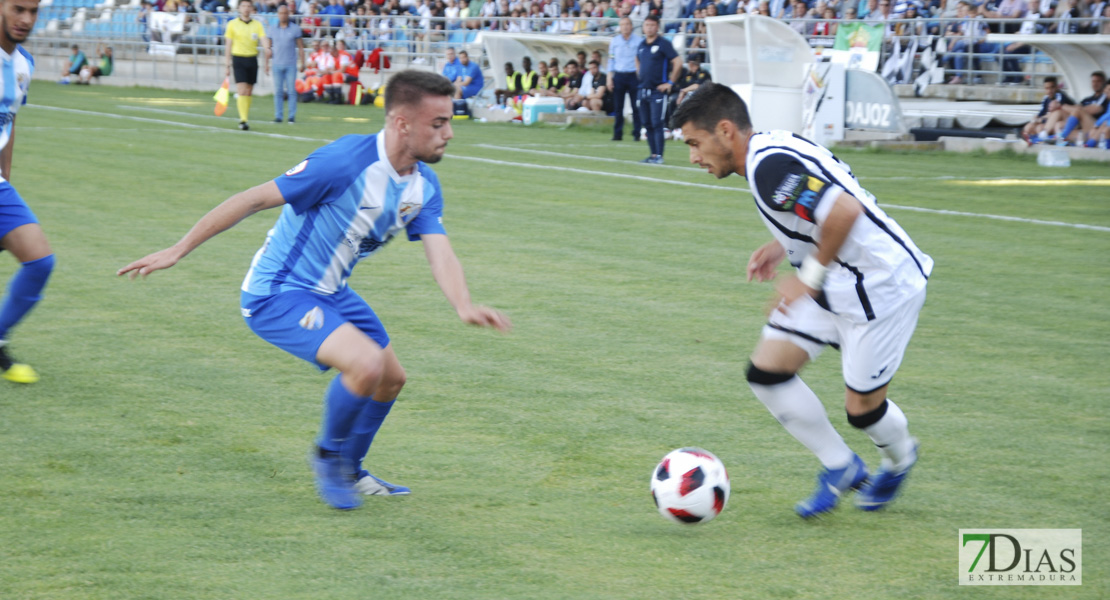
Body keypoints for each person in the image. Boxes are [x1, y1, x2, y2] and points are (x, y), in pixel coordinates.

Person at [117, 70, 512, 511]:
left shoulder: (422, 186)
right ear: (402, 123)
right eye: (438, 123)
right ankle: (327, 457)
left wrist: (463, 304)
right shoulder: (343, 163)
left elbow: (440, 251)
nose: (449, 133)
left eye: (449, 120)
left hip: (331, 291)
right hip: (277, 292)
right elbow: (253, 199)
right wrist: (179, 249)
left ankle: (350, 468)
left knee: (391, 378)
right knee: (365, 364)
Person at [671, 83, 932, 518]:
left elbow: (845, 210)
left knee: (863, 411)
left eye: (695, 144)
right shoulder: (769, 150)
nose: (694, 156)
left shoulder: (768, 167)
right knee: (767, 372)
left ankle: (900, 458)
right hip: (838, 279)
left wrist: (807, 278)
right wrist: (783, 244)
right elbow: (818, 204)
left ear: (725, 130)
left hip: (881, 287)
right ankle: (840, 466)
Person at [0, 0, 55, 384]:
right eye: (18, 9)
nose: (26, 20)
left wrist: (5, 176)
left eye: (34, 11)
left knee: (39, 261)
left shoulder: (24, 65)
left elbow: (10, 120)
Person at [635, 15, 681, 164]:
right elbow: (637, 59)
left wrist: (670, 83)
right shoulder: (642, 45)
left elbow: (678, 62)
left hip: (657, 91)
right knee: (647, 123)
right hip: (643, 89)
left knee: (657, 123)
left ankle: (659, 155)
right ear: (643, 27)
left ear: (657, 27)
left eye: (652, 25)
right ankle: (653, 154)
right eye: (647, 25)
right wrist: (640, 73)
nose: (649, 28)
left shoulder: (663, 44)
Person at [224, 0, 268, 130]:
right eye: (243, 6)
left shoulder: (257, 25)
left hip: (252, 59)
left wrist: (268, 48)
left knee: (249, 91)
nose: (246, 8)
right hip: (238, 59)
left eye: (248, 6)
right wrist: (227, 64)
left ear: (252, 9)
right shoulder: (232, 24)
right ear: (239, 8)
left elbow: (264, 39)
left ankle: (245, 117)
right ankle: (243, 120)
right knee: (242, 90)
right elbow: (228, 45)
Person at [266, 4, 304, 123]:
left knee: (292, 91)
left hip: (290, 64)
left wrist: (302, 62)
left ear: (288, 14)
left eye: (285, 13)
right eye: (281, 13)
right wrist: (266, 63)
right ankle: (278, 116)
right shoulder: (272, 29)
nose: (283, 15)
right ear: (278, 14)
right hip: (276, 64)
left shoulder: (295, 29)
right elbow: (268, 48)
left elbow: (301, 47)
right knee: (278, 91)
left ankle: (291, 116)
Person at [607, 16, 643, 141]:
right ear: (620, 27)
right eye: (622, 24)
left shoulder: (639, 41)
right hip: (619, 75)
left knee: (636, 107)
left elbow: (641, 59)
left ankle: (637, 133)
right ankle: (617, 134)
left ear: (631, 26)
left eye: (627, 24)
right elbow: (611, 60)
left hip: (634, 75)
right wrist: (609, 77)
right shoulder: (615, 41)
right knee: (618, 107)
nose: (625, 27)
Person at [1050, 71, 1108, 146]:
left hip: (1096, 126)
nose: (1095, 83)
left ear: (1104, 83)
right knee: (1059, 124)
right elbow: (1076, 108)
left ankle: (1061, 137)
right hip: (1084, 128)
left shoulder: (1104, 97)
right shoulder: (1087, 99)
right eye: (1093, 81)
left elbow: (1094, 110)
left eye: (1098, 81)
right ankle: (1051, 138)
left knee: (1078, 111)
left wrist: (1062, 106)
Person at [1022, 76, 1073, 144]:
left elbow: (1053, 114)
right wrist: (1036, 119)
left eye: (1052, 88)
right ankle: (1029, 138)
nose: (1049, 91)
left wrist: (1041, 119)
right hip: (1049, 123)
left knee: (1040, 127)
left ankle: (1040, 140)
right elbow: (1042, 114)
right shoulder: (1046, 98)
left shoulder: (1060, 96)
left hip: (1064, 122)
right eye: (1047, 88)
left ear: (1056, 87)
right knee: (1030, 126)